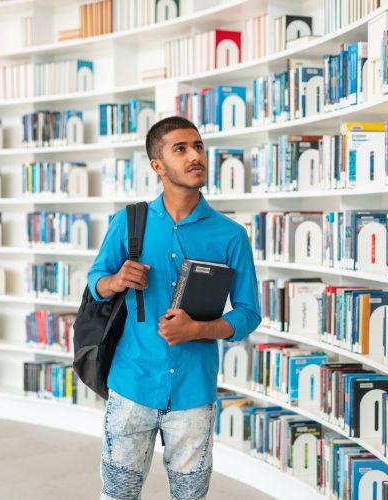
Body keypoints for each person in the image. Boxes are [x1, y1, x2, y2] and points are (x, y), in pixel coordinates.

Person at [87, 116, 261, 500]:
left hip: (193, 393)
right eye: (180, 149)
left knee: (190, 497)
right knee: (117, 494)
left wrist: (198, 330)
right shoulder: (128, 222)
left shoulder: (231, 235)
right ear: (158, 165)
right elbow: (95, 283)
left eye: (197, 146)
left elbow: (249, 313)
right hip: (131, 385)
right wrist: (115, 281)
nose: (194, 156)